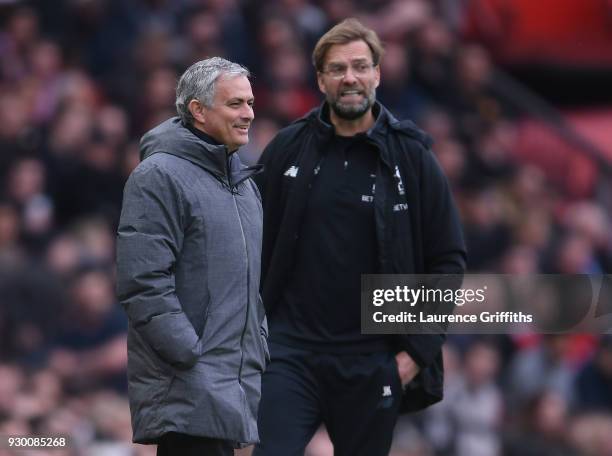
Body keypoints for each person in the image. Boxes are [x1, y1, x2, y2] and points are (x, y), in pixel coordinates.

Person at [254, 19, 466, 456]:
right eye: (337, 68)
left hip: (373, 359)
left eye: (359, 66)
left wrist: (413, 356)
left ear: (377, 74)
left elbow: (447, 263)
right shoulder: (287, 148)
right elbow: (248, 241)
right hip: (289, 354)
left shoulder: (413, 156)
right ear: (320, 79)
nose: (349, 77)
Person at [116, 57, 269, 456]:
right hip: (190, 386)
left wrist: (257, 345)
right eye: (235, 104)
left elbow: (249, 286)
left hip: (234, 386)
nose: (249, 114)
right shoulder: (158, 176)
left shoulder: (245, 184)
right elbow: (143, 282)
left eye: (251, 103)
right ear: (198, 111)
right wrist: (190, 355)